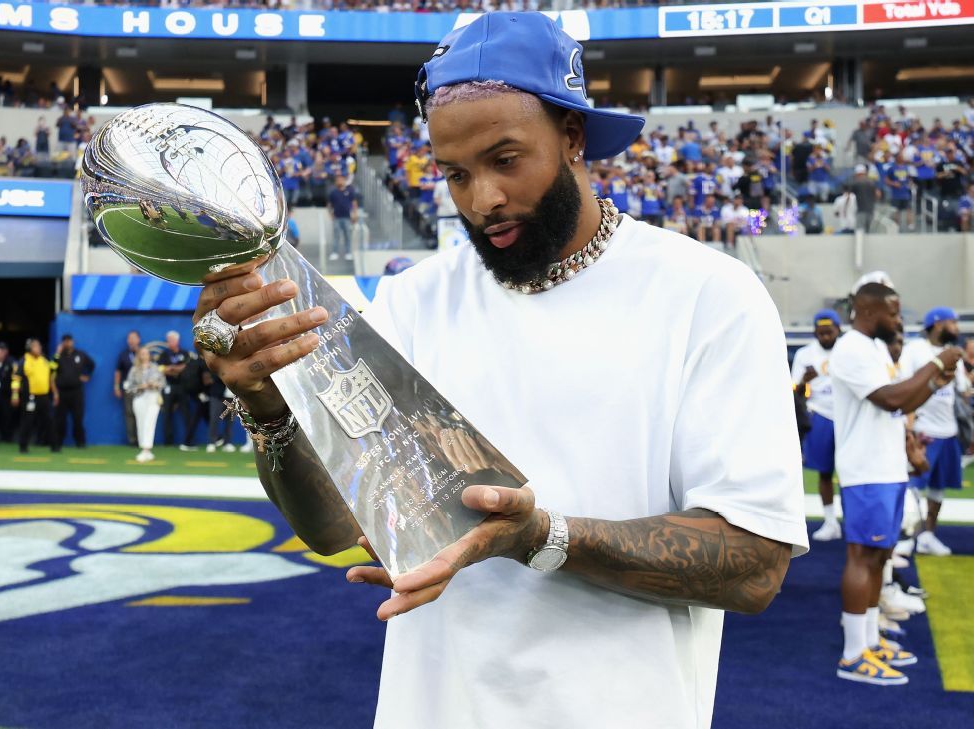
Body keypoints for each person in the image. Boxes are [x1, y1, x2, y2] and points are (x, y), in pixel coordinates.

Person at [193, 13, 806, 727]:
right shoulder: (413, 301)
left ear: (573, 136)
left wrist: (541, 536)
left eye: (506, 159)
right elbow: (332, 524)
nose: (482, 199)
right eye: (455, 173)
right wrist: (266, 406)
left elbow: (757, 564)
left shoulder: (707, 296)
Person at [829, 282, 961, 686]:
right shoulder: (851, 347)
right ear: (869, 312)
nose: (899, 320)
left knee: (880, 556)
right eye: (894, 312)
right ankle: (853, 654)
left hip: (886, 467)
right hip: (865, 469)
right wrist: (935, 366)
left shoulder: (872, 348)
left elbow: (903, 404)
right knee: (863, 556)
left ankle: (871, 641)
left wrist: (933, 383)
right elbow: (888, 399)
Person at [898, 307, 969, 556]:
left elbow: (961, 388)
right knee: (914, 485)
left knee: (939, 486)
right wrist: (909, 426)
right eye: (953, 322)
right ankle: (908, 535)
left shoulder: (953, 352)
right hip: (923, 429)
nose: (957, 328)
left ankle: (928, 535)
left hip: (948, 429)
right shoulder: (914, 349)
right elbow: (904, 384)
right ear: (937, 324)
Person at [793, 310, 843, 541]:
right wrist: (805, 381)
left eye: (829, 332)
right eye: (821, 333)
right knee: (825, 472)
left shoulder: (848, 350)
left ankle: (852, 521)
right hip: (820, 414)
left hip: (847, 416)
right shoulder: (805, 354)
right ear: (815, 332)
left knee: (850, 472)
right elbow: (796, 392)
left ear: (838, 330)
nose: (825, 337)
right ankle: (830, 521)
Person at [12, 338, 58, 454]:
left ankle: (54, 446)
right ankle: (23, 447)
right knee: (27, 422)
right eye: (36, 346)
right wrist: (15, 395)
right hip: (30, 397)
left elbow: (52, 369)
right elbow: (16, 379)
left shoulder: (44, 360)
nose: (39, 348)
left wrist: (57, 355)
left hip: (44, 396)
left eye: (39, 346)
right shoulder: (24, 361)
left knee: (49, 421)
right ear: (29, 348)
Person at [54, 334, 96, 450]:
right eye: (65, 341)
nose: (68, 343)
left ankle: (80, 442)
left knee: (78, 418)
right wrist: (57, 353)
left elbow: (92, 365)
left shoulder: (80, 354)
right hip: (61, 391)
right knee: (60, 418)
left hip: (76, 392)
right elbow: (51, 369)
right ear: (62, 343)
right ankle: (58, 441)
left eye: (69, 341)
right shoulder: (58, 356)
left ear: (73, 342)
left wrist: (87, 376)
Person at [124, 347, 165, 463]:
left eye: (146, 353)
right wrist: (141, 387)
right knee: (141, 423)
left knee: (149, 423)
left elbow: (163, 382)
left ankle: (146, 450)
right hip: (139, 398)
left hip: (153, 397)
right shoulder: (134, 369)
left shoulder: (155, 368)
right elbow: (128, 386)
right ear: (139, 356)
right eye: (142, 354)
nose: (144, 356)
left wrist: (155, 384)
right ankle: (145, 450)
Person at [158, 331, 191, 448]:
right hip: (168, 387)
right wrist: (175, 369)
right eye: (168, 340)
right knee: (167, 415)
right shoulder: (164, 354)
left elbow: (186, 367)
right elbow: (160, 369)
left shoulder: (185, 353)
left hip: (183, 387)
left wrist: (171, 368)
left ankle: (188, 441)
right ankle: (168, 442)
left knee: (186, 414)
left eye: (171, 340)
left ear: (177, 341)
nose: (169, 342)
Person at [114, 331, 142, 447]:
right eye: (129, 338)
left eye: (133, 338)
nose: (131, 340)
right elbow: (118, 371)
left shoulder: (144, 352)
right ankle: (132, 440)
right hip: (128, 388)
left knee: (142, 413)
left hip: (143, 388)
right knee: (129, 413)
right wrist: (116, 386)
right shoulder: (123, 354)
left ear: (138, 340)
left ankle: (143, 439)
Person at [327, 174, 358, 262]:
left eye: (341, 180)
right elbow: (329, 205)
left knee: (348, 236)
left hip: (347, 217)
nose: (340, 181)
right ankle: (335, 252)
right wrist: (330, 214)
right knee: (336, 236)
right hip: (337, 217)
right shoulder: (333, 193)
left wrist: (355, 214)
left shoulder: (349, 191)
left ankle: (348, 252)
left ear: (344, 181)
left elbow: (354, 203)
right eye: (338, 180)